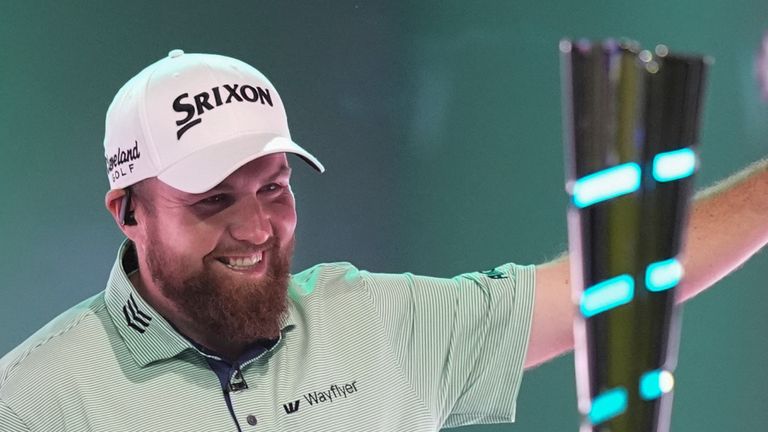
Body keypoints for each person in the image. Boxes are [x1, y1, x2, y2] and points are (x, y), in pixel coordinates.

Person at [0, 50, 765, 432]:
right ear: (128, 212)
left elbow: (610, 284)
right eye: (212, 200)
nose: (256, 228)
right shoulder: (32, 403)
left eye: (274, 186)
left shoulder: (378, 323)